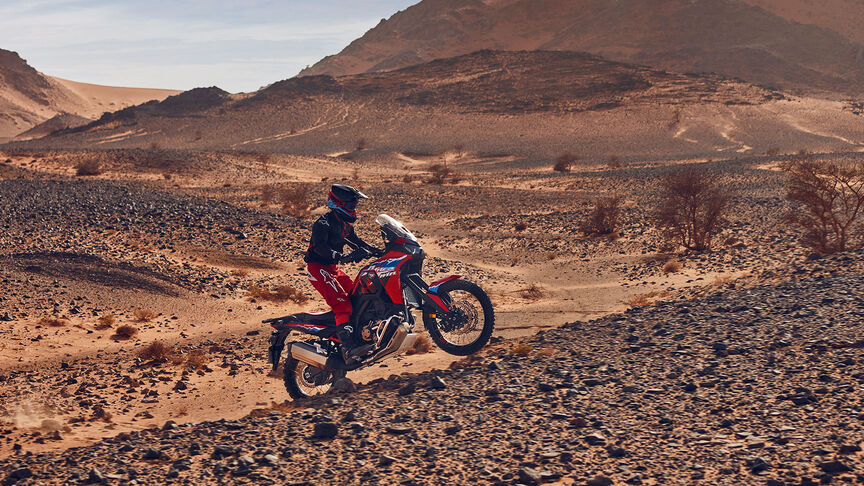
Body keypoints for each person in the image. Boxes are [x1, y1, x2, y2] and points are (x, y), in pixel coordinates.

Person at [304, 184, 380, 364]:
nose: (353, 209)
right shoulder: (323, 223)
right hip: (318, 268)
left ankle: (361, 333)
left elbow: (358, 243)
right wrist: (342, 256)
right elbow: (320, 247)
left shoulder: (345, 225)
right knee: (342, 305)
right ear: (338, 203)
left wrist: (381, 251)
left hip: (333, 269)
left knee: (360, 293)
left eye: (354, 206)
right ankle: (348, 347)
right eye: (351, 206)